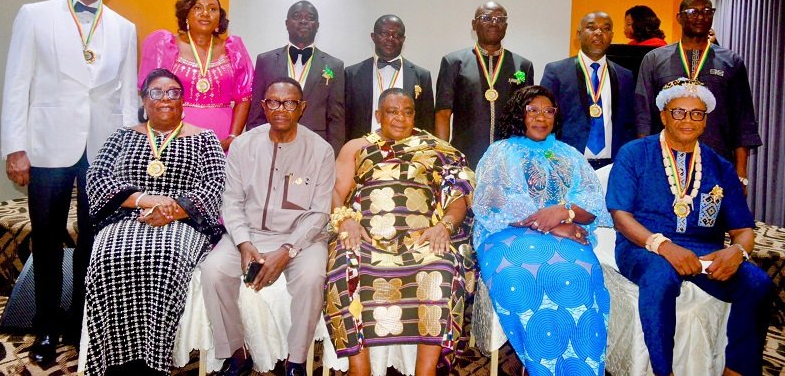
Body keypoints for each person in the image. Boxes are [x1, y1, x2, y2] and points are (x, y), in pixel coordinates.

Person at [0, 0, 138, 363]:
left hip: (103, 149)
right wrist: (15, 148)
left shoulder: (124, 27)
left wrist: (127, 152)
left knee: (93, 243)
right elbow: (16, 83)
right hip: (46, 145)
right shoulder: (34, 15)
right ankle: (44, 327)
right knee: (46, 238)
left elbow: (128, 95)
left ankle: (81, 321)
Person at [606, 78, 774, 376]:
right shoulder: (634, 153)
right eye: (679, 112)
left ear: (705, 120)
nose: (687, 120)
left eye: (696, 113)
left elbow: (743, 229)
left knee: (758, 284)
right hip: (643, 246)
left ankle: (736, 368)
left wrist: (738, 252)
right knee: (660, 276)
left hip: (704, 249)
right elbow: (621, 216)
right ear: (663, 115)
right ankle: (663, 371)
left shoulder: (720, 166)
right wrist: (663, 246)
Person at [84, 68, 225, 375]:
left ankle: (153, 359)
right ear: (144, 100)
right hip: (126, 217)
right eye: (156, 92)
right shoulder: (122, 136)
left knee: (166, 257)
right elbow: (96, 180)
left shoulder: (205, 139)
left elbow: (215, 187)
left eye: (173, 93)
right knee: (108, 256)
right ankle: (112, 359)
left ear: (183, 101)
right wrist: (146, 200)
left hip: (184, 222)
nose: (165, 99)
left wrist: (172, 210)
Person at [326, 88, 476, 376]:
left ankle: (426, 371)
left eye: (407, 112)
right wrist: (345, 220)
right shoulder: (356, 147)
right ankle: (360, 369)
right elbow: (334, 191)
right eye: (392, 112)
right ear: (378, 115)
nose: (400, 118)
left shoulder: (436, 149)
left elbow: (458, 196)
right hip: (366, 238)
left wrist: (444, 227)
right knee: (344, 266)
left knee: (443, 267)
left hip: (421, 240)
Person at [473, 85, 612, 376]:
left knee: (578, 276)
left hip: (567, 235)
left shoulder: (569, 154)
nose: (541, 117)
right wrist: (555, 224)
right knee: (520, 278)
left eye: (548, 111)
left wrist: (565, 213)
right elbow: (494, 203)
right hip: (506, 236)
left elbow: (594, 205)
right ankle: (541, 365)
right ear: (518, 115)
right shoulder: (500, 151)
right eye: (532, 110)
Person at [201, 77, 335, 376]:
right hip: (248, 234)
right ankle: (236, 353)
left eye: (289, 103)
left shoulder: (321, 151)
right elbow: (231, 202)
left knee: (313, 277)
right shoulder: (243, 146)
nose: (281, 109)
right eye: (273, 102)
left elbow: (319, 213)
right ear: (263, 106)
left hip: (302, 238)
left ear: (301, 108)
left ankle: (296, 360)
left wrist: (288, 250)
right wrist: (244, 243)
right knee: (214, 271)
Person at [635, 0, 761, 188]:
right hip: (664, 161)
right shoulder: (654, 59)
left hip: (717, 158)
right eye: (693, 12)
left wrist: (741, 173)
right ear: (679, 17)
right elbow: (643, 116)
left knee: (715, 217)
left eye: (706, 11)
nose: (700, 17)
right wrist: (644, 163)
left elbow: (742, 120)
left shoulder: (731, 62)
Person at [138, 0, 253, 152]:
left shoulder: (234, 49)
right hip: (174, 134)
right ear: (186, 14)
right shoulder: (164, 45)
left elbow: (244, 98)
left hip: (222, 137)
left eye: (212, 9)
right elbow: (151, 94)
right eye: (198, 8)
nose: (205, 13)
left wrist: (232, 138)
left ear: (219, 17)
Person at [435, 1, 534, 167]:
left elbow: (527, 116)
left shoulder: (522, 66)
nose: (494, 22)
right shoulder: (453, 62)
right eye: (486, 18)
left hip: (509, 160)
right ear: (474, 25)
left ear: (506, 26)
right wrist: (443, 157)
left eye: (500, 19)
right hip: (465, 156)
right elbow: (443, 114)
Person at [246, 0, 345, 153]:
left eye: (310, 17)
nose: (303, 21)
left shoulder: (334, 66)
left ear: (317, 25)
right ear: (286, 23)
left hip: (315, 148)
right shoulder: (265, 61)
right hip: (271, 145)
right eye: (297, 16)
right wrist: (255, 147)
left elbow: (336, 119)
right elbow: (257, 111)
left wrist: (333, 156)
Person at [541, 11, 635, 169]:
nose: (598, 33)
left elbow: (629, 124)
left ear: (611, 35)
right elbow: (544, 118)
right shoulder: (556, 71)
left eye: (605, 29)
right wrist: (550, 158)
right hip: (567, 164)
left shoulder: (625, 76)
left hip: (611, 166)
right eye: (591, 28)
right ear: (578, 34)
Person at [344, 15, 434, 140]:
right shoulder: (352, 74)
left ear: (403, 39)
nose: (390, 39)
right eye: (384, 33)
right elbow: (344, 119)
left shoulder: (421, 76)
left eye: (397, 35)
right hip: (362, 149)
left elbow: (427, 123)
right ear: (373, 37)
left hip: (407, 152)